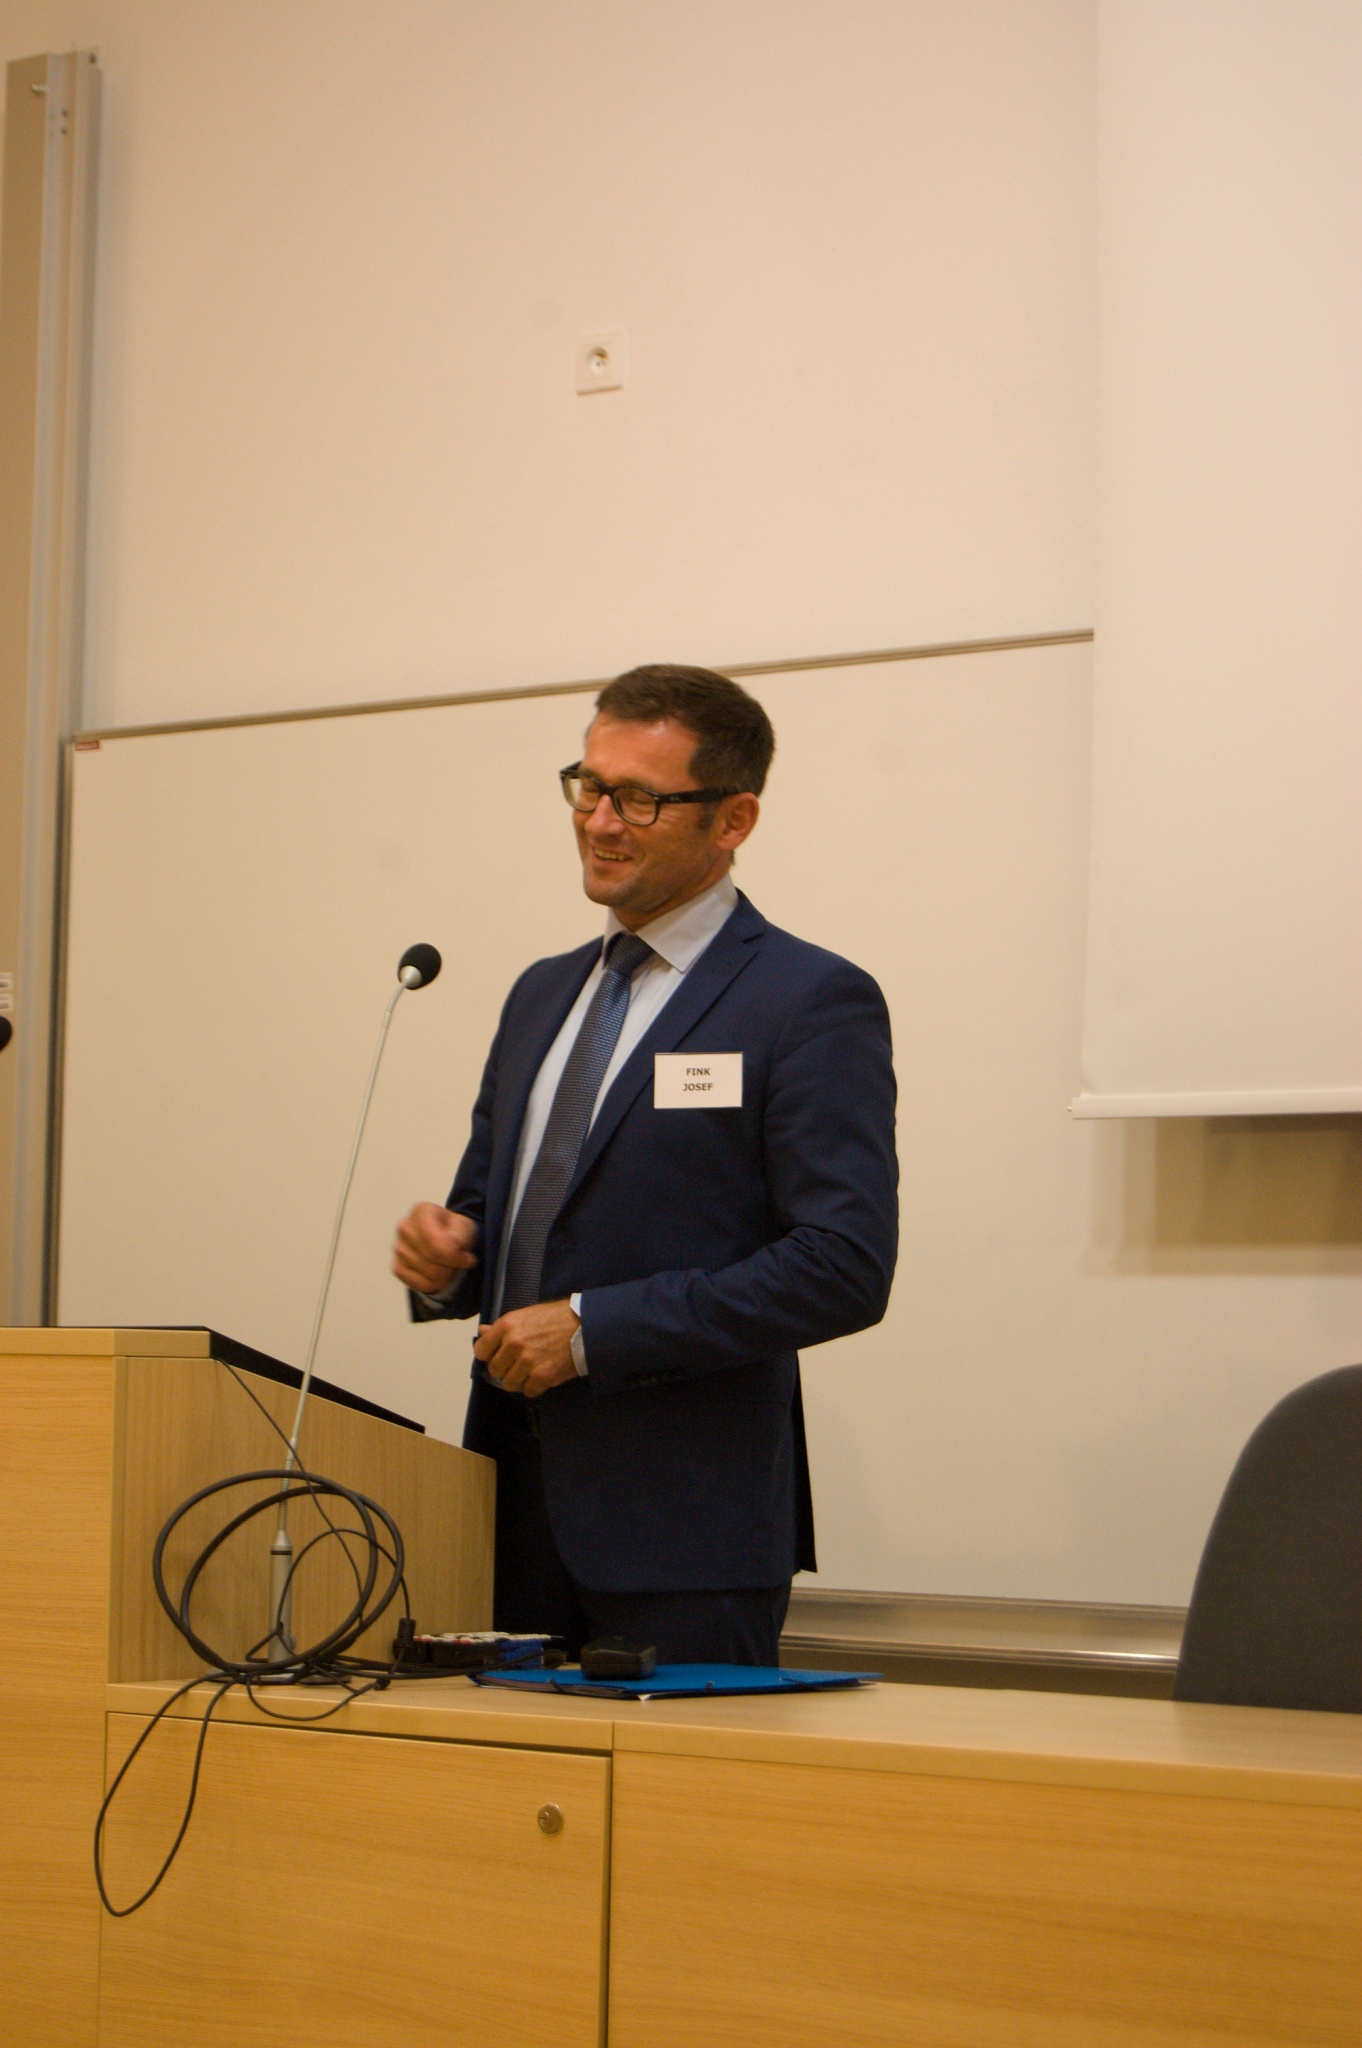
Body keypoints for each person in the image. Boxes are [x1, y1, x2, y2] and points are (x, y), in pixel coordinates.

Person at [392, 663, 897, 1665]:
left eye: (639, 798)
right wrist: (449, 1258)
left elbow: (842, 1264)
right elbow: (497, 1213)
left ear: (733, 819)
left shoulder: (806, 999)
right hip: (506, 1509)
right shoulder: (541, 995)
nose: (598, 821)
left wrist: (594, 1331)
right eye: (588, 785)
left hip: (685, 1533)